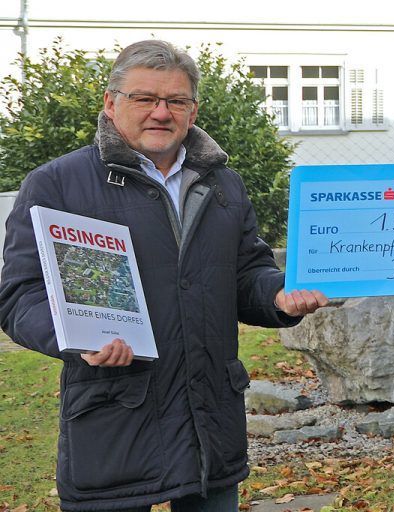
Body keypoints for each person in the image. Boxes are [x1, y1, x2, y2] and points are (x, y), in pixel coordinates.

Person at [0, 40, 327, 511]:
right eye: (144, 98)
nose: (161, 112)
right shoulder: (57, 184)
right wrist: (74, 337)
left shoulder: (220, 184)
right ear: (111, 104)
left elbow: (247, 273)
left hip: (208, 426)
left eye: (176, 101)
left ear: (193, 112)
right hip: (113, 424)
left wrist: (279, 295)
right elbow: (21, 296)